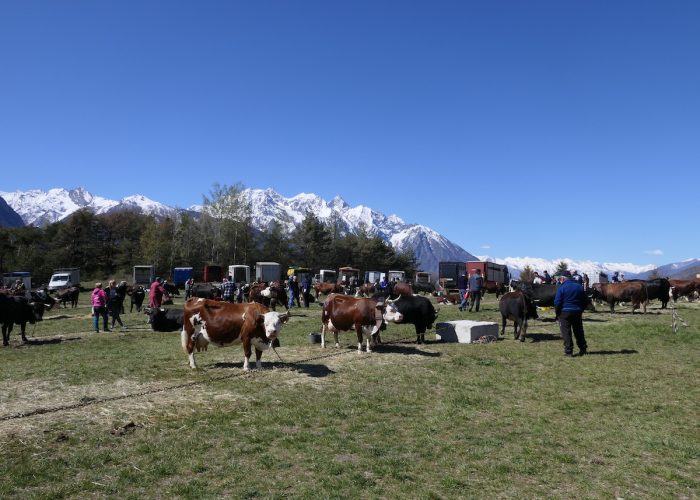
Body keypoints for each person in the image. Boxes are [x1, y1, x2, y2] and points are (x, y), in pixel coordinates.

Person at [553, 271, 588, 357]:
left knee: (566, 332)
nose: (559, 280)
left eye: (560, 279)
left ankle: (569, 351)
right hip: (577, 312)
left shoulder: (561, 288)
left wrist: (557, 313)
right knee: (579, 331)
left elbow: (557, 302)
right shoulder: (579, 287)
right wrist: (581, 310)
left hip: (564, 312)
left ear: (563, 278)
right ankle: (583, 348)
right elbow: (585, 300)